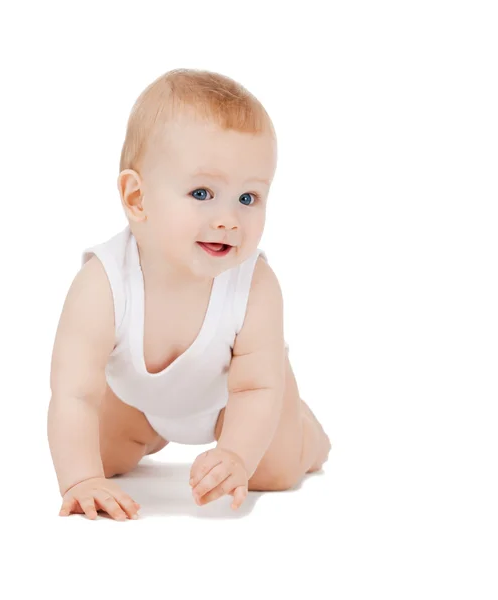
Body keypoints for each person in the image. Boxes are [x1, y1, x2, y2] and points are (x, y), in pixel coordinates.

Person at [47, 68, 331, 521]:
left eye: (248, 198)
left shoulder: (253, 284)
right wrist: (81, 480)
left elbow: (255, 385)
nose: (229, 219)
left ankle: (306, 432)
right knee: (101, 455)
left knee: (273, 470)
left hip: (238, 400)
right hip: (139, 404)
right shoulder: (103, 284)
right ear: (137, 198)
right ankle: (149, 432)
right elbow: (73, 394)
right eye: (203, 192)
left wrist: (236, 454)